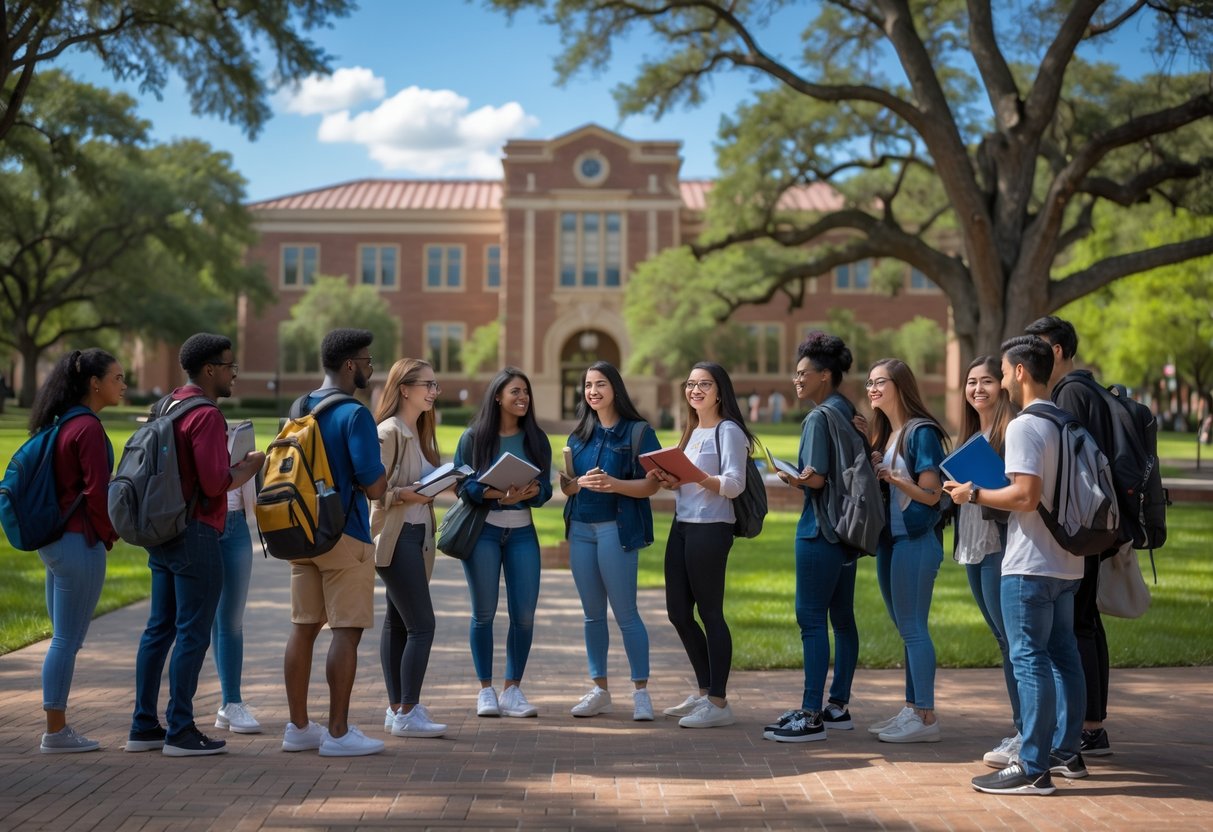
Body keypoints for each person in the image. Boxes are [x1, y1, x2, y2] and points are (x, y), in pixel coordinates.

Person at [946, 335, 1087, 795]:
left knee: (1029, 659)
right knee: (1064, 657)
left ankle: (1032, 767)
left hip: (1029, 563)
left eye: (1003, 372)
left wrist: (973, 493)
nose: (1002, 379)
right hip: (1068, 560)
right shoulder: (1065, 421)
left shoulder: (1025, 426)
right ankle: (1066, 753)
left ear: (1021, 372)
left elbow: (1025, 496)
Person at [127, 334, 264, 757]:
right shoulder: (206, 415)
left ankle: (143, 726)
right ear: (210, 370)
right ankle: (181, 730)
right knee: (192, 632)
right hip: (198, 532)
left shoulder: (166, 405)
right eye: (229, 367)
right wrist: (250, 467)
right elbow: (215, 483)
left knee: (158, 629)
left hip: (163, 529)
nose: (234, 375)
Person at [281, 329, 388, 757]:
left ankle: (298, 728)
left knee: (303, 628)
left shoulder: (298, 407)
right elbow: (375, 486)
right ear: (349, 365)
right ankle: (338, 733)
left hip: (300, 531)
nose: (370, 367)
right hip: (345, 534)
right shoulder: (355, 414)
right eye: (366, 360)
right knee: (346, 631)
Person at [763, 333, 863, 743]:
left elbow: (817, 479)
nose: (797, 380)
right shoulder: (848, 411)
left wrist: (791, 477)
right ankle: (837, 707)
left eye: (804, 373)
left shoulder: (818, 418)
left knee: (810, 619)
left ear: (825, 375)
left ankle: (810, 715)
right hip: (847, 531)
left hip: (818, 529)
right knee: (843, 619)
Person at [1023, 315, 1115, 758]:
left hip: (1076, 527)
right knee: (1086, 623)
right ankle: (1090, 726)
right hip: (1094, 523)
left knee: (1076, 630)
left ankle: (1085, 729)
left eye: (1037, 346)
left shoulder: (1068, 394)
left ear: (1055, 350)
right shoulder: (1090, 389)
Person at [647, 361, 753, 729]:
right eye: (690, 384)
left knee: (710, 613)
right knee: (677, 612)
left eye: (704, 384)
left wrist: (695, 476)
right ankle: (705, 691)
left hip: (711, 527)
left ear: (720, 391)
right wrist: (672, 480)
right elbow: (690, 481)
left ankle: (719, 702)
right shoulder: (692, 431)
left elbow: (734, 484)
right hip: (682, 525)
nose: (695, 390)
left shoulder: (729, 431)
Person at [31, 349, 125, 753]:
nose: (123, 385)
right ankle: (55, 732)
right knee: (67, 641)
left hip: (55, 541)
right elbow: (96, 494)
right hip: (78, 542)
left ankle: (56, 727)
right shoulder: (87, 428)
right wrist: (110, 535)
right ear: (94, 383)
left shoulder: (64, 422)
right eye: (117, 378)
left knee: (62, 638)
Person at [558, 361, 662, 721]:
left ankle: (641, 693)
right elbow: (568, 487)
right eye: (588, 385)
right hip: (580, 530)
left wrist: (614, 484)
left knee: (626, 613)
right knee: (592, 616)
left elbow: (652, 484)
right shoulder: (578, 436)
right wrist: (571, 484)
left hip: (615, 530)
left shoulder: (638, 432)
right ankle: (599, 691)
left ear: (615, 388)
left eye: (600, 384)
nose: (593, 391)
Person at [453, 367, 553, 718]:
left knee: (523, 616)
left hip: (522, 533)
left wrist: (531, 492)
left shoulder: (536, 438)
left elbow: (546, 489)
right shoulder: (473, 437)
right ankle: (486, 690)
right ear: (498, 396)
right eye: (515, 392)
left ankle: (512, 690)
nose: (523, 397)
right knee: (483, 614)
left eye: (525, 392)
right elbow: (462, 485)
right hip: (484, 532)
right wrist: (497, 495)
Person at [865, 358, 949, 743]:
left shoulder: (921, 432)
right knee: (906, 628)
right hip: (892, 542)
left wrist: (895, 478)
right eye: (869, 383)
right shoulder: (889, 434)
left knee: (914, 628)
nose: (872, 388)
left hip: (916, 541)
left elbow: (932, 495)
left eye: (879, 382)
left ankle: (926, 717)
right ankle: (913, 707)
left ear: (900, 386)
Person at [370, 358, 446, 739]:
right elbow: (373, 491)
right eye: (426, 385)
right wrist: (406, 494)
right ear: (404, 389)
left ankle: (397, 708)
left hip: (415, 537)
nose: (433, 392)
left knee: (398, 622)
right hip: (396, 538)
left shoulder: (416, 431)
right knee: (423, 625)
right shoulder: (388, 432)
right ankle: (408, 711)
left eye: (435, 385)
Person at [955, 356, 1021, 767]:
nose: (978, 389)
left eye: (987, 381)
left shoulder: (1011, 431)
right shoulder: (970, 435)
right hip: (972, 544)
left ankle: (1028, 731)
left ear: (1003, 385)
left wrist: (974, 491)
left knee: (1014, 641)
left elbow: (1017, 493)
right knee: (1003, 639)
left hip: (1000, 543)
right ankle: (1024, 728)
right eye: (971, 382)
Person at [209, 420, 261, 736]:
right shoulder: (195, 423)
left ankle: (230, 702)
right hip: (205, 523)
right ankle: (229, 702)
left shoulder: (232, 429)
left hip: (237, 523)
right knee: (212, 620)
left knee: (229, 620)